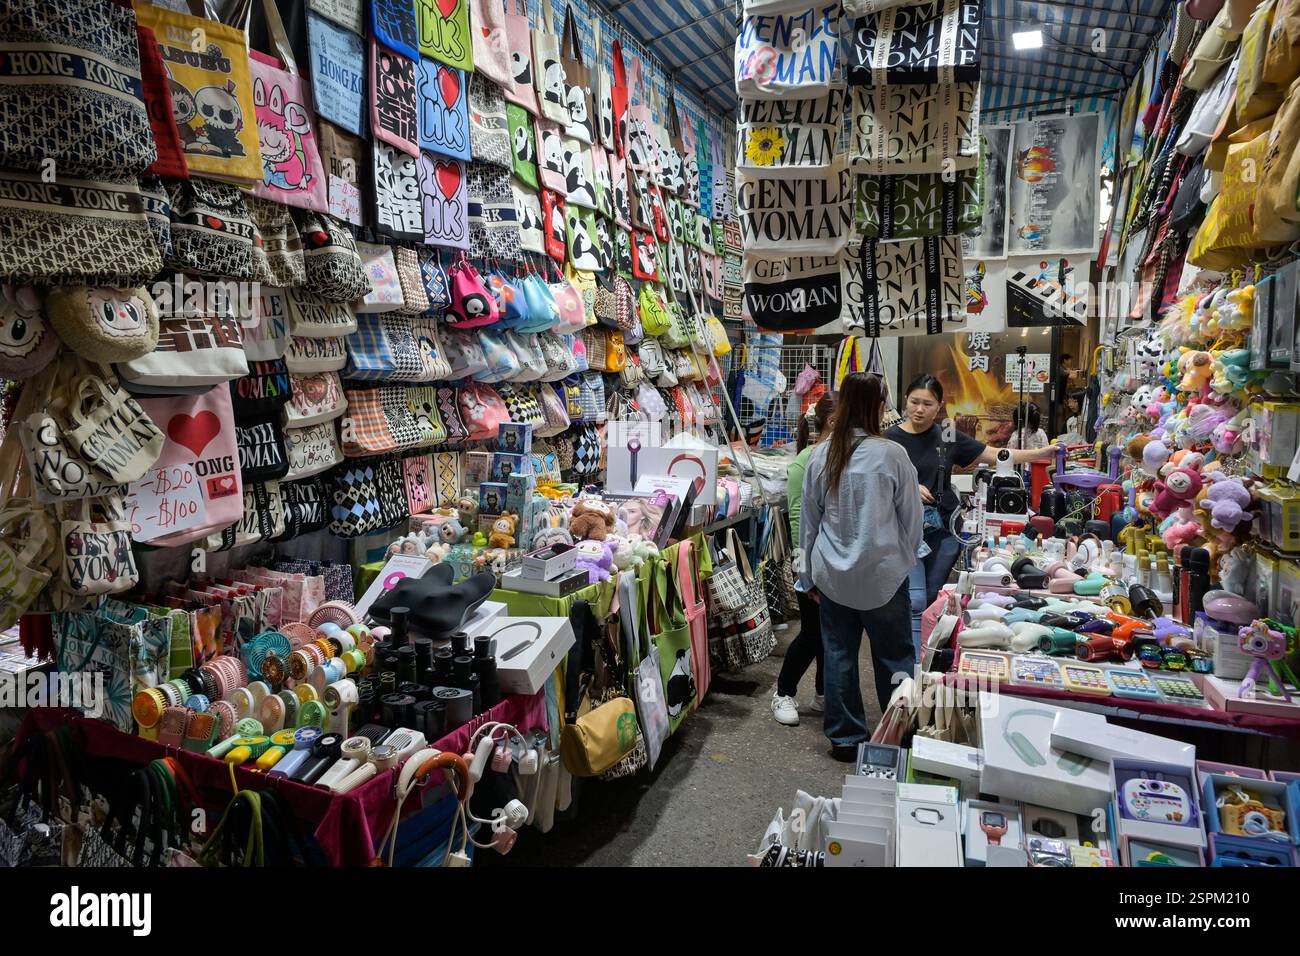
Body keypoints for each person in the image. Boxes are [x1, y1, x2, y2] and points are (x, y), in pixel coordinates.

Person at [886, 375, 1057, 657]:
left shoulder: (947, 434)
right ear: (905, 401)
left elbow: (995, 454)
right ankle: (912, 663)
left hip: (944, 529)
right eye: (914, 402)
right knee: (914, 600)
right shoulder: (890, 439)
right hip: (904, 530)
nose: (919, 409)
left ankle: (927, 653)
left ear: (939, 405)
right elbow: (878, 481)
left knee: (932, 596)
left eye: (927, 403)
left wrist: (1042, 452)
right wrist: (907, 486)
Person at [800, 373, 921, 760]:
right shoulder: (891, 454)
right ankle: (897, 732)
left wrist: (807, 576)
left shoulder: (820, 455)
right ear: (878, 407)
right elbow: (912, 519)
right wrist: (905, 559)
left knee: (838, 654)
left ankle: (845, 737)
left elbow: (809, 523)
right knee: (895, 657)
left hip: (833, 574)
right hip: (884, 574)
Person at [771, 393, 835, 727]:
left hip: (835, 561)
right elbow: (798, 521)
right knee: (812, 632)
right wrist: (805, 568)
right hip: (809, 561)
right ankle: (783, 692)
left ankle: (824, 693)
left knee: (831, 632)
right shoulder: (806, 462)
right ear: (835, 422)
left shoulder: (841, 457)